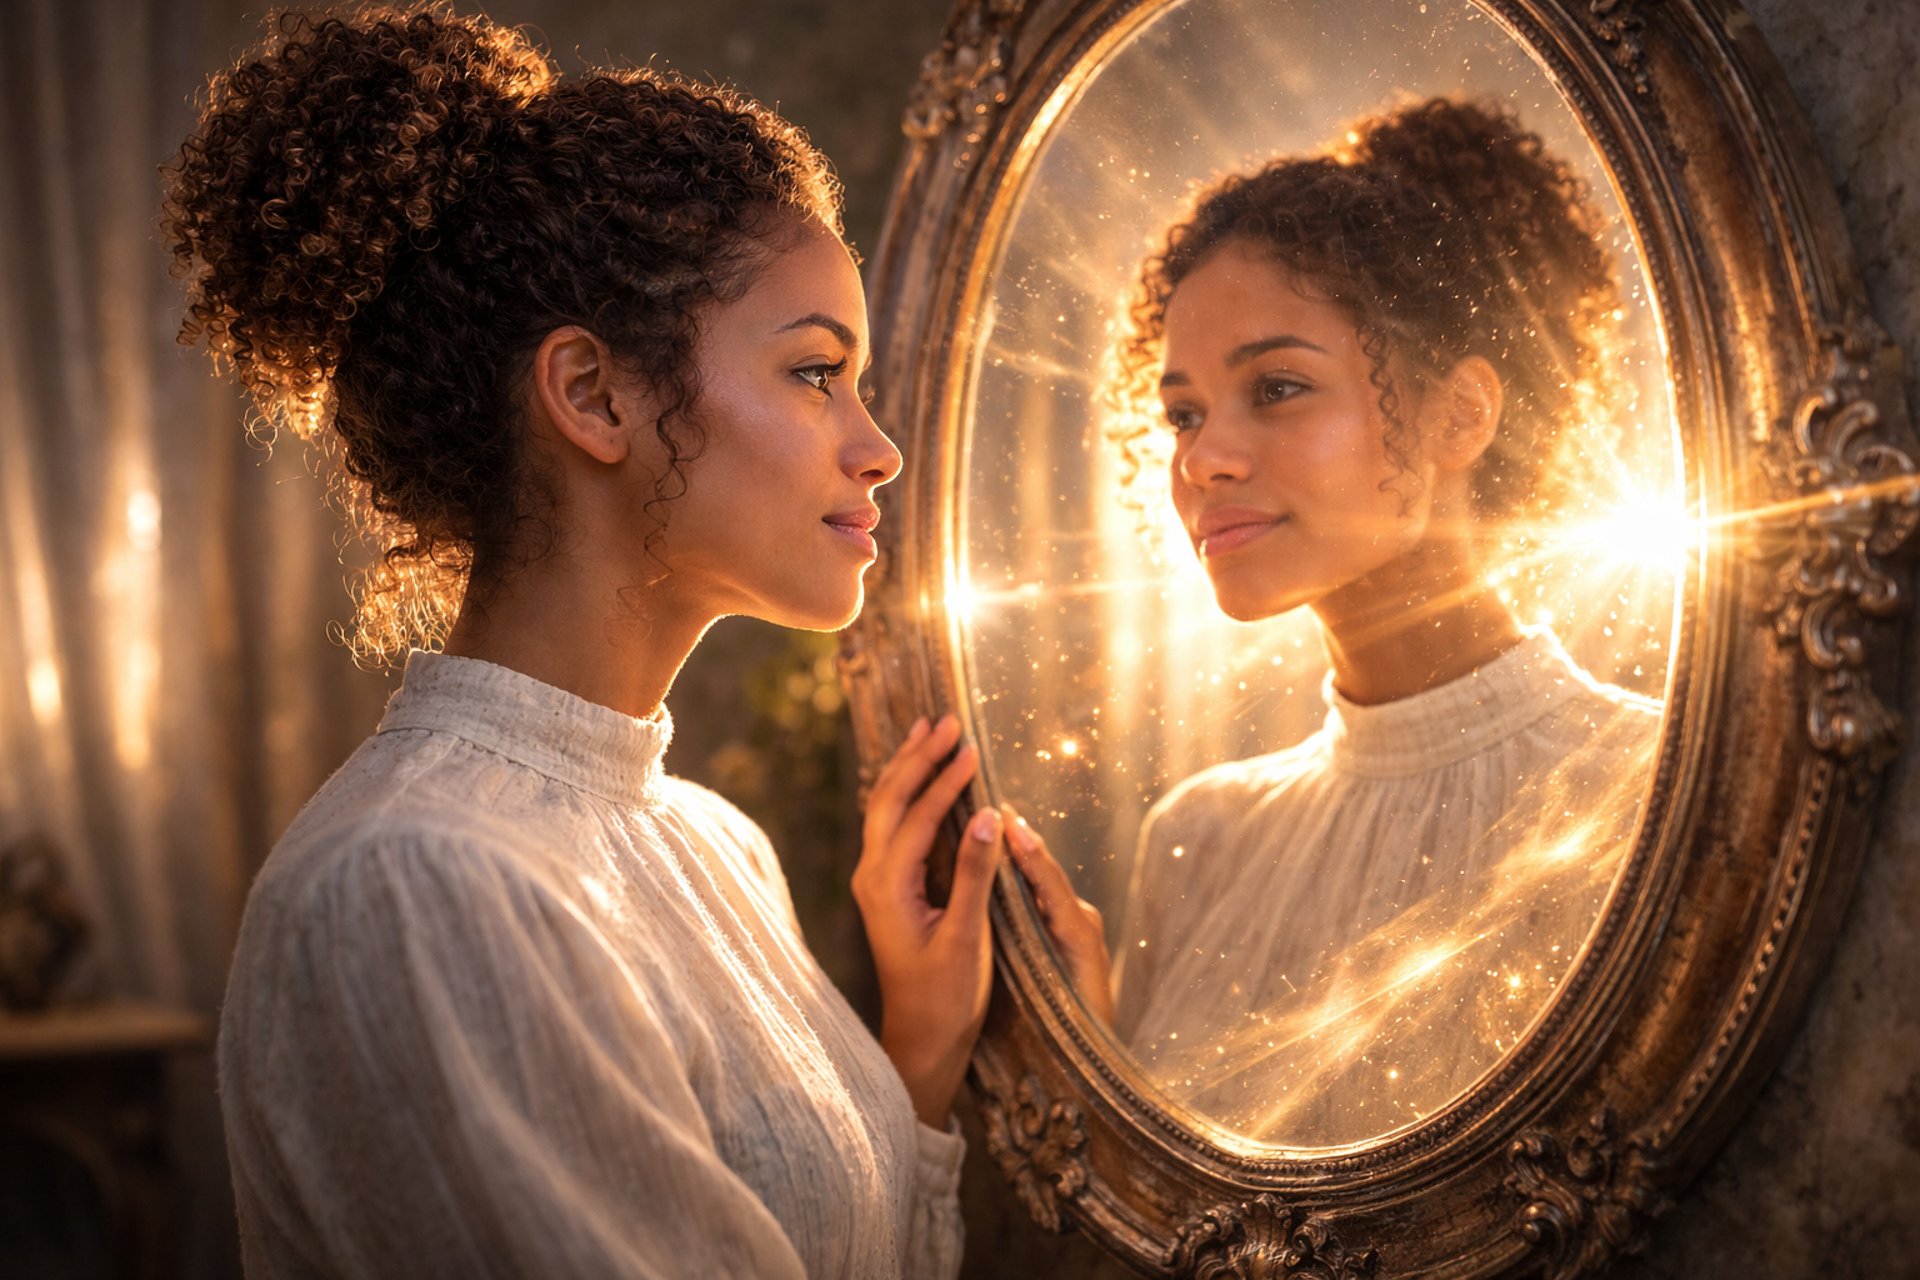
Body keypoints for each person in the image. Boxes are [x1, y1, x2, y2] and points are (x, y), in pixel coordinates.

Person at [165, 6, 1058, 1274]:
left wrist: (912, 1058)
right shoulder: (414, 887)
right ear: (592, 395)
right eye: (816, 372)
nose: (880, 445)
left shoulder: (716, 846)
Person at [1014, 98, 1665, 1144]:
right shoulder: (1196, 841)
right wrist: (1096, 1059)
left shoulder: (1643, 788)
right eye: (1182, 411)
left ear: (1463, 413)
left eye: (1275, 386)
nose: (1202, 457)